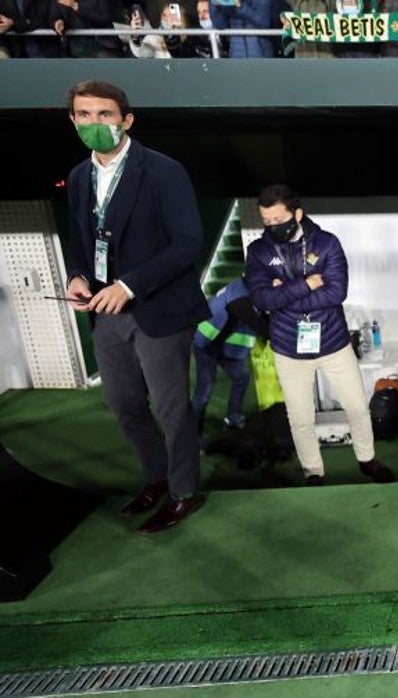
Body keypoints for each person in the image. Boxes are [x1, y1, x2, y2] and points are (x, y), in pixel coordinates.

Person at [62, 80, 210, 534]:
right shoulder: (78, 176)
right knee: (123, 404)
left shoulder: (164, 171)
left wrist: (129, 285)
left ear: (126, 120)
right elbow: (78, 237)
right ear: (73, 120)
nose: (94, 123)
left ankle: (185, 491)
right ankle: (156, 478)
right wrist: (78, 275)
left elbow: (188, 243)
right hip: (106, 313)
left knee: (171, 408)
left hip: (158, 311)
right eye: (84, 115)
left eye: (104, 115)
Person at [243, 185, 395, 487]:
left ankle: (367, 460)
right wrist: (307, 284)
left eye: (278, 219)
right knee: (300, 418)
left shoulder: (326, 244)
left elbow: (336, 293)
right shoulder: (258, 251)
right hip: (288, 347)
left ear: (297, 214)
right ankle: (313, 471)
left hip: (333, 343)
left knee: (356, 407)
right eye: (266, 221)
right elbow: (261, 300)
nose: (272, 226)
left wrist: (283, 294)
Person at [192, 276, 270, 435]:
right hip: (207, 344)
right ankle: (192, 436)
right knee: (204, 391)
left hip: (225, 346)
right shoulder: (240, 298)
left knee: (241, 376)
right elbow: (262, 327)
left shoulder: (250, 289)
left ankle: (233, 418)